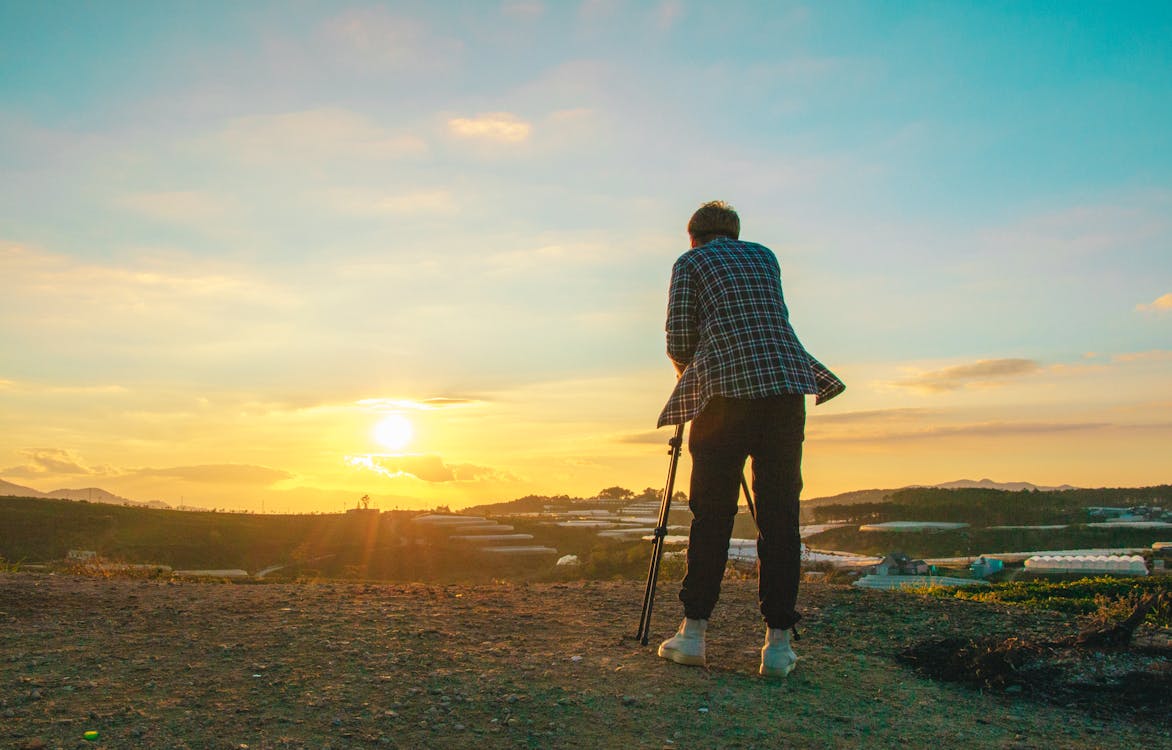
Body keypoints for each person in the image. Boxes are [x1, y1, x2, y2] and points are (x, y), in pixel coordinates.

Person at [655, 200, 844, 677]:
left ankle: (693, 633)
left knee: (712, 513)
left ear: (693, 237)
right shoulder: (765, 256)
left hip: (724, 396)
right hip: (784, 389)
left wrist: (692, 378)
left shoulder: (691, 262)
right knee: (779, 514)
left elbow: (679, 338)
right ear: (735, 234)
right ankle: (777, 647)